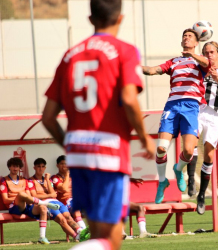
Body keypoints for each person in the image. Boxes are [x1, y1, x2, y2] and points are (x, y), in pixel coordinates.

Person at [41, 0, 155, 249]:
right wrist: (146, 138)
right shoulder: (125, 50)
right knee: (110, 241)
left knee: (97, 235)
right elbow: (128, 98)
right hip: (109, 153)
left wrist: (69, 146)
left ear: (90, 19)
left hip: (78, 155)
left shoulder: (70, 55)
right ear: (121, 18)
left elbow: (48, 117)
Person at [142, 29, 209, 204]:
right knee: (162, 147)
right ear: (181, 42)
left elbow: (206, 63)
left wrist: (193, 55)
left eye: (190, 37)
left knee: (188, 150)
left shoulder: (201, 62)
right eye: (184, 37)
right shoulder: (174, 62)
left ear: (196, 43)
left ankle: (179, 169)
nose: (186, 38)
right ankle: (162, 180)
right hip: (172, 106)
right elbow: (152, 70)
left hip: (191, 107)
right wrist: (133, 67)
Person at [185, 41, 218, 214]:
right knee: (190, 145)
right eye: (205, 52)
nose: (208, 55)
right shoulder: (199, 71)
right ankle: (191, 179)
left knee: (209, 155)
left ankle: (201, 195)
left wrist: (217, 79)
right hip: (198, 112)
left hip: (214, 116)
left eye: (211, 52)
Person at [0, 157, 60, 244]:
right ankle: (43, 202)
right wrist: (19, 197)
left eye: (17, 166)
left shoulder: (24, 180)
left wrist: (24, 198)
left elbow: (28, 196)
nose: (15, 168)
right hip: (14, 207)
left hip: (26, 205)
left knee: (42, 208)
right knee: (21, 194)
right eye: (13, 166)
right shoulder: (4, 180)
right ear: (9, 167)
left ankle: (42, 237)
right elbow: (5, 200)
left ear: (20, 168)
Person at [28, 158, 87, 241]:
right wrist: (49, 194)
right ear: (34, 168)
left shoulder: (48, 179)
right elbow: (35, 195)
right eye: (38, 166)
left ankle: (82, 232)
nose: (41, 168)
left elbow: (53, 194)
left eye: (42, 166)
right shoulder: (31, 180)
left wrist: (47, 181)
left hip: (56, 202)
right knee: (62, 219)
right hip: (46, 203)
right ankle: (78, 236)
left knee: (68, 217)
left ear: (45, 168)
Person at [50, 155, 87, 230]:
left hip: (76, 200)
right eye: (62, 164)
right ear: (57, 165)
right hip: (65, 203)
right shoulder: (55, 178)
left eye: (66, 164)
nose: (64, 166)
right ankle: (84, 230)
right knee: (76, 209)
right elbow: (64, 189)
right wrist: (67, 174)